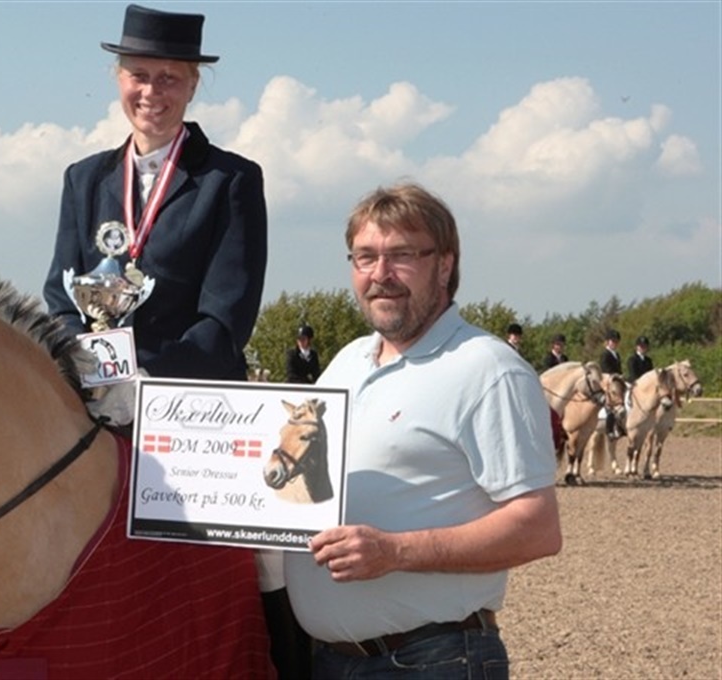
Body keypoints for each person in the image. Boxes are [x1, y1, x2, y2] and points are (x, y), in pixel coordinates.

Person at [41, 5, 280, 676]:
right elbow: (60, 297)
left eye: (169, 78)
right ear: (118, 78)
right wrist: (94, 369)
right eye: (139, 75)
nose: (152, 92)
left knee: (269, 558)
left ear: (194, 84)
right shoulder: (84, 179)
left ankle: (284, 658)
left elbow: (225, 320)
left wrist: (143, 375)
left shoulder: (230, 180)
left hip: (191, 409)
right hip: (93, 401)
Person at [284, 183, 562, 679]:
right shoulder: (347, 362)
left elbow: (538, 529)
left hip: (430, 661)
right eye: (365, 257)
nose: (380, 274)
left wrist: (394, 552)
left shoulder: (488, 369)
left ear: (445, 265)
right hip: (328, 661)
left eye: (402, 255)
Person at [599, 329, 624, 438]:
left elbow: (619, 368)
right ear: (608, 342)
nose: (615, 343)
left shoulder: (616, 354)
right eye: (613, 341)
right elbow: (605, 368)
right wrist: (616, 375)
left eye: (616, 341)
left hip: (616, 379)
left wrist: (621, 375)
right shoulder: (605, 354)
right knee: (610, 402)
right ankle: (609, 429)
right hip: (607, 379)